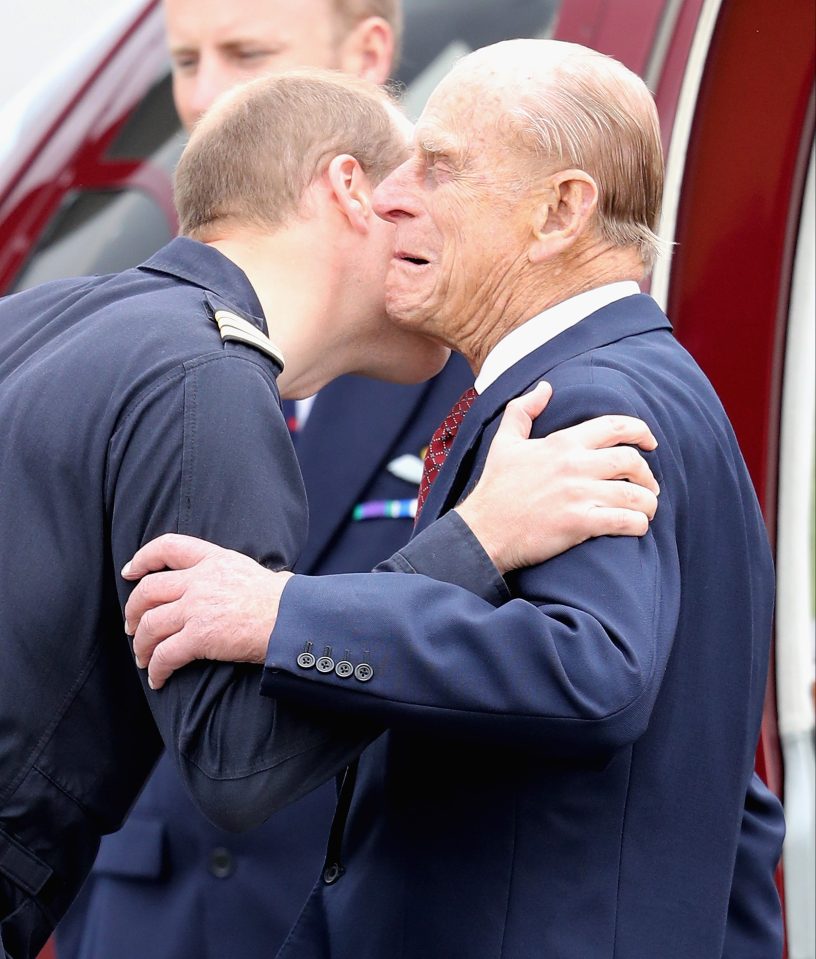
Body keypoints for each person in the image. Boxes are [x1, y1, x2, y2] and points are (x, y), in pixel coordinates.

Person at [127, 41, 786, 959]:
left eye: (439, 167)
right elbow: (723, 789)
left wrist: (283, 611)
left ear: (560, 210)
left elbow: (592, 670)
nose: (393, 195)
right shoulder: (643, 378)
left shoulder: (591, 396)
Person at [0, 71, 663, 959]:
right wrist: (477, 543)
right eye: (412, 188)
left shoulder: (34, 320)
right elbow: (239, 762)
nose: (427, 226)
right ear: (351, 190)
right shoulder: (208, 379)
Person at [55, 3, 472, 957]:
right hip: (138, 920)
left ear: (368, 55)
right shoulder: (132, 328)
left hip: (370, 912)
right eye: (183, 61)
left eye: (246, 53)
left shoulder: (460, 349)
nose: (205, 96)